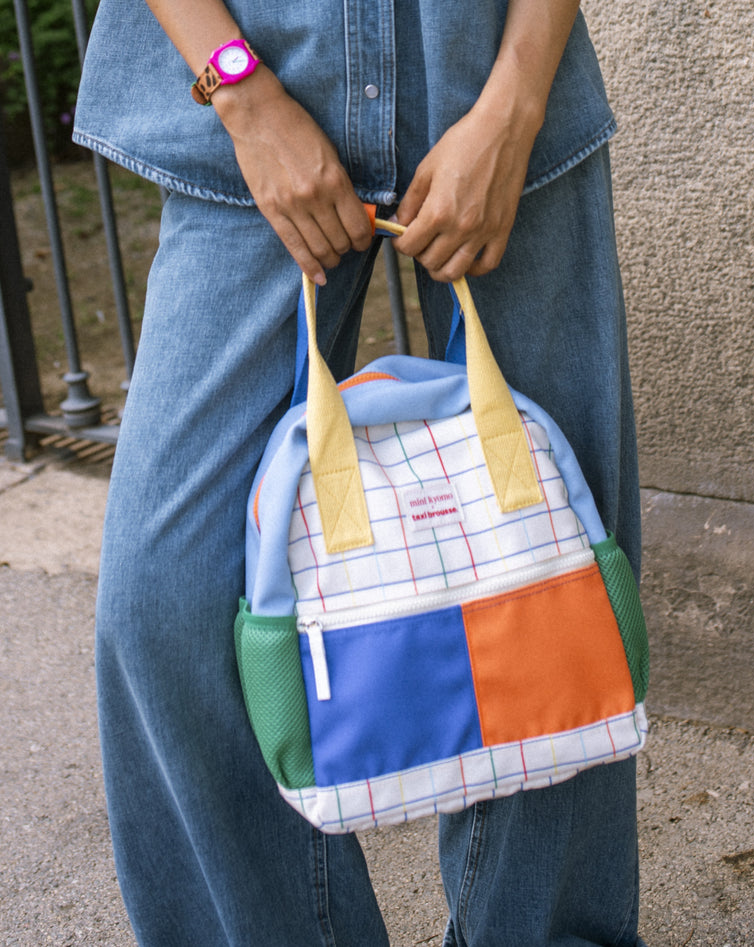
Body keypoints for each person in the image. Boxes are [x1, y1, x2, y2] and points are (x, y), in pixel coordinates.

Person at [73, 1, 646, 944]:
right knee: (162, 598)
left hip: (495, 94)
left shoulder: (511, 110)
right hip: (250, 107)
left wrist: (516, 103)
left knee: (552, 593)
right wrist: (244, 97)